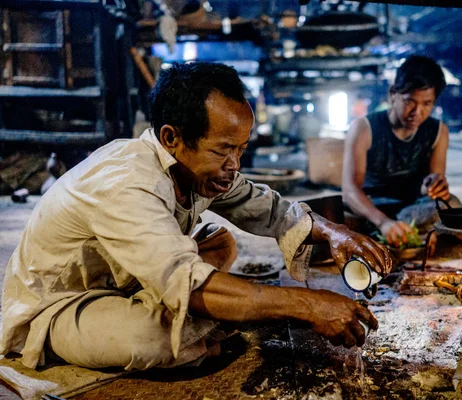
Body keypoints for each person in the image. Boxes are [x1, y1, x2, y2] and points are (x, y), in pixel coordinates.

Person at [0, 62, 392, 371]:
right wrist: (306, 305)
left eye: (241, 149)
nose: (234, 165)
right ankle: (195, 313)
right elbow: (188, 285)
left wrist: (332, 231)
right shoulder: (128, 184)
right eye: (223, 150)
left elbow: (264, 205)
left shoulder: (195, 168)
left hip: (126, 281)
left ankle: (206, 306)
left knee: (219, 242)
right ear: (172, 137)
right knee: (153, 339)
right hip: (58, 305)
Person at [342, 55, 457, 247]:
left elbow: (432, 185)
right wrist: (383, 222)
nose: (417, 112)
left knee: (452, 206)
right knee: (327, 219)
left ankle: (397, 232)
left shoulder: (439, 131)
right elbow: (350, 190)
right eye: (410, 101)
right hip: (371, 208)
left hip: (411, 208)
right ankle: (402, 232)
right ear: (392, 94)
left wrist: (435, 186)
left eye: (426, 104)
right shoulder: (364, 128)